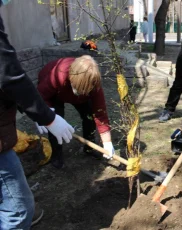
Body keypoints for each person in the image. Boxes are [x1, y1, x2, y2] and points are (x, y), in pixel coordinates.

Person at [0, 2, 74, 229]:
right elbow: (8, 76)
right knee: (19, 210)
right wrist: (47, 117)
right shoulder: (54, 75)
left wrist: (32, 111)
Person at [37, 55, 115, 169]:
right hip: (55, 93)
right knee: (55, 123)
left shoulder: (94, 85)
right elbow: (41, 95)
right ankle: (57, 154)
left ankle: (90, 147)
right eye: (79, 89)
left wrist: (107, 142)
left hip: (79, 93)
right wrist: (45, 114)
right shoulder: (58, 75)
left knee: (89, 117)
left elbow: (100, 113)